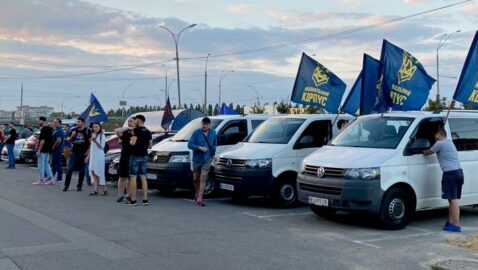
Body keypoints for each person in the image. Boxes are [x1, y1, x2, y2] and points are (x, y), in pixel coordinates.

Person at [423, 128, 464, 233]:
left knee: (453, 200)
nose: (435, 138)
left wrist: (421, 150)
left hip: (450, 174)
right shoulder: (450, 142)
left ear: (439, 135)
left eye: (435, 136)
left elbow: (428, 152)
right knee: (451, 199)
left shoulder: (440, 143)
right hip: (459, 172)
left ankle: (456, 225)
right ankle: (450, 222)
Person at [187, 117, 217, 207]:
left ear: (209, 124)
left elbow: (214, 145)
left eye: (206, 124)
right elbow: (190, 144)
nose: (205, 126)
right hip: (197, 159)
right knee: (195, 179)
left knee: (203, 177)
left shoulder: (213, 133)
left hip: (207, 159)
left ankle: (200, 197)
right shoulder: (196, 133)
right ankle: (197, 193)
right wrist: (199, 147)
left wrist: (213, 155)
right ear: (201, 124)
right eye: (203, 124)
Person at [126, 115, 152, 206]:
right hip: (144, 155)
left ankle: (133, 200)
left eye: (136, 119)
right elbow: (150, 146)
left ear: (139, 120)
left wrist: (130, 140)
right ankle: (145, 199)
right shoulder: (148, 131)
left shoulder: (136, 130)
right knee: (143, 177)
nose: (134, 121)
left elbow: (132, 143)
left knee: (133, 177)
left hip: (135, 155)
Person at [63, 118, 90, 192]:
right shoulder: (73, 130)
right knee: (70, 169)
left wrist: (88, 151)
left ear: (83, 123)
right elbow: (68, 140)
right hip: (74, 152)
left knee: (82, 170)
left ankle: (79, 186)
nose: (77, 123)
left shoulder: (88, 131)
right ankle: (66, 186)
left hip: (83, 153)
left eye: (79, 122)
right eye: (77, 122)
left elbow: (91, 143)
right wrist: (72, 136)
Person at [115, 118, 134, 202]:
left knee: (131, 177)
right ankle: (120, 194)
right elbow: (117, 131)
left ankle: (129, 194)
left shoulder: (137, 132)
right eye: (128, 121)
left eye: (131, 121)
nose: (129, 123)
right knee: (122, 177)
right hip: (124, 156)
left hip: (133, 156)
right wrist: (128, 128)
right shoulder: (126, 131)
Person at [86, 123, 107, 196]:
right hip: (93, 156)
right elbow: (91, 147)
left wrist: (95, 141)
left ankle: (104, 188)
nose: (95, 128)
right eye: (93, 127)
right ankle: (96, 190)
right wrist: (88, 156)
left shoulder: (102, 135)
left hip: (99, 156)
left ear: (100, 127)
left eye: (96, 127)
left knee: (99, 172)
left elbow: (102, 147)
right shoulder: (93, 135)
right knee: (93, 172)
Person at [34, 117, 54, 185]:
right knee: (46, 165)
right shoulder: (50, 129)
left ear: (43, 121)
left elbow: (42, 140)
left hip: (43, 149)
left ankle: (41, 179)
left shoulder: (43, 129)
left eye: (39, 121)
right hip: (48, 149)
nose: (38, 122)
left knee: (41, 165)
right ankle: (51, 179)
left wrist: (39, 150)